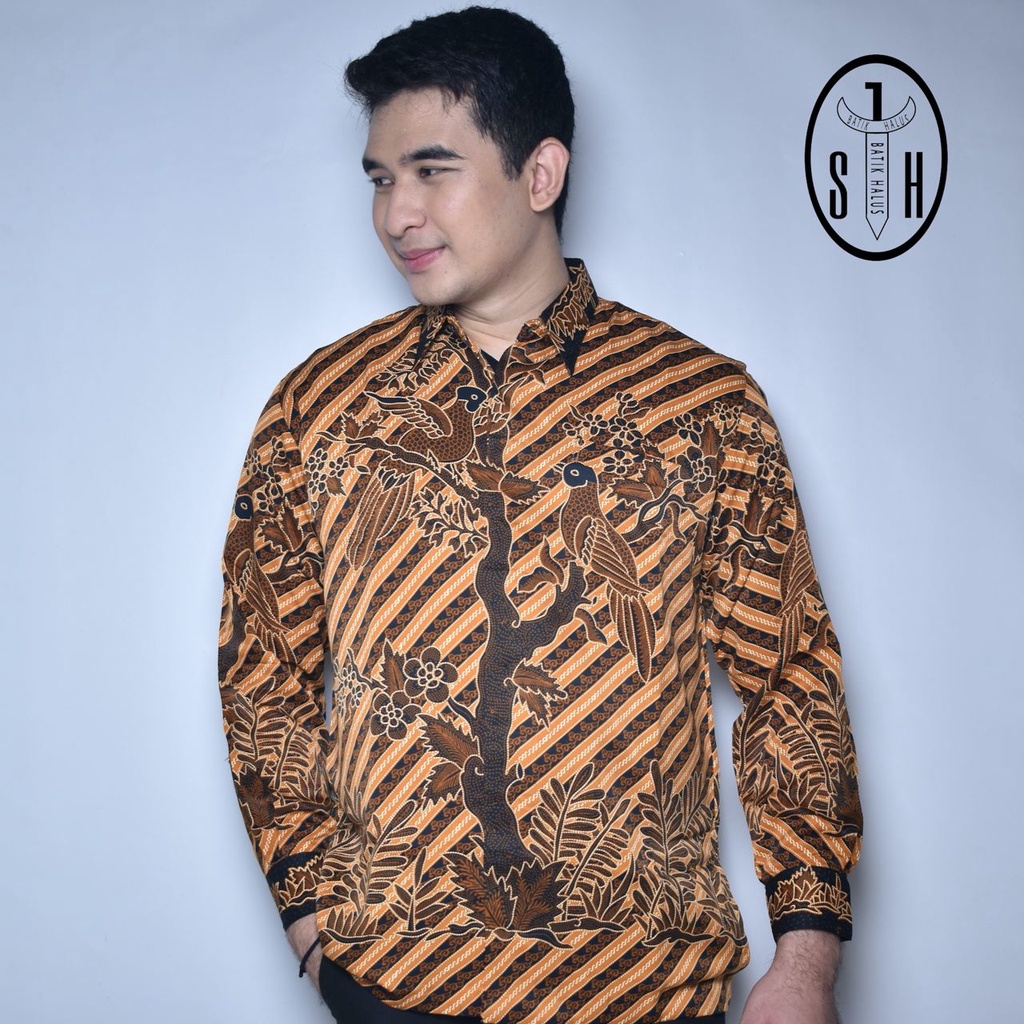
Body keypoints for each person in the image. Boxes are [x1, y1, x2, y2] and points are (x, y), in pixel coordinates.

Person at [218, 7, 862, 1023]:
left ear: (541, 173)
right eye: (380, 179)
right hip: (393, 991)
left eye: (432, 170)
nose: (397, 213)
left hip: (652, 996)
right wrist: (309, 919)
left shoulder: (702, 405)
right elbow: (263, 668)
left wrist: (807, 958)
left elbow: (792, 679)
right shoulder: (321, 409)